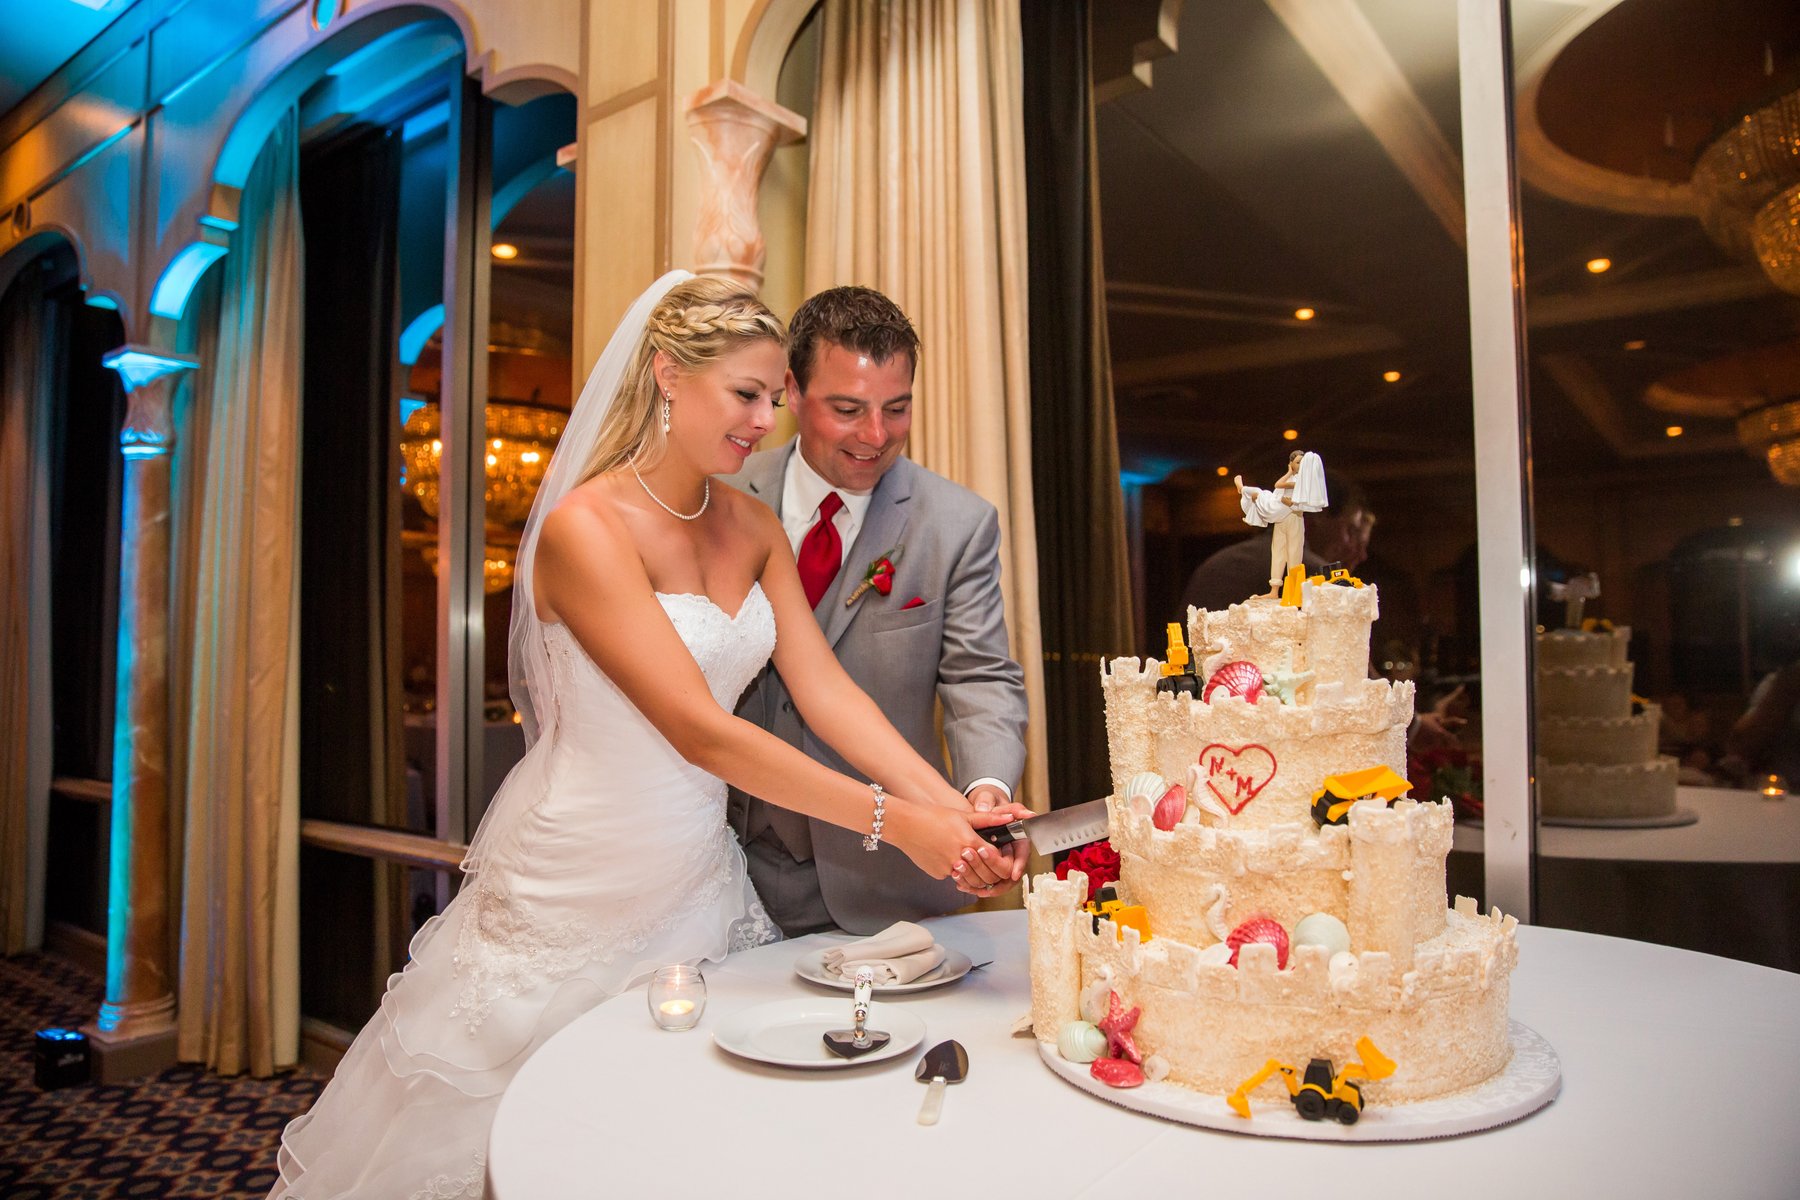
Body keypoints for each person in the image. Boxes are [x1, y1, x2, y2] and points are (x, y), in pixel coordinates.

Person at [270, 274, 1028, 1197]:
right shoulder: (584, 530)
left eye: (772, 397)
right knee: (520, 1135)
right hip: (576, 878)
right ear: (669, 375)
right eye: (746, 395)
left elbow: (828, 694)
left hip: (696, 875)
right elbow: (700, 730)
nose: (765, 421)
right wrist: (897, 822)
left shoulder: (750, 524)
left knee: (673, 1140)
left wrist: (955, 811)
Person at [724, 286, 1030, 936]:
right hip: (720, 863)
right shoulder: (721, 497)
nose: (876, 435)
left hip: (885, 879)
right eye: (848, 409)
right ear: (792, 392)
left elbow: (980, 678)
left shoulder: (957, 523)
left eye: (897, 408)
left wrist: (983, 794)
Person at [1182, 466, 1374, 614]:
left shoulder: (1219, 562)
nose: (1349, 543)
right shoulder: (1315, 574)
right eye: (1349, 529)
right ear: (1318, 515)